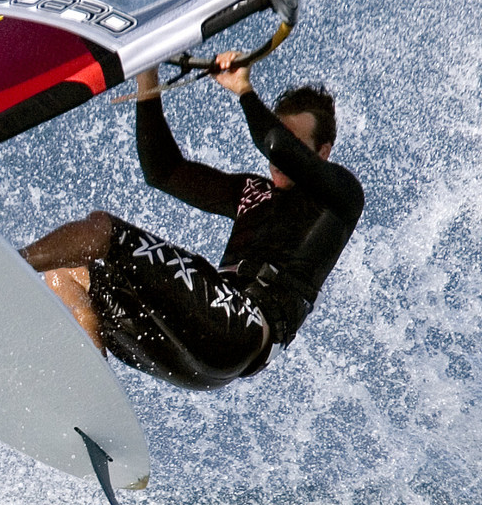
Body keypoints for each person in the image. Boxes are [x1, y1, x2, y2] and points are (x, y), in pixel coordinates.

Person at [20, 52, 364, 390]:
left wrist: (244, 90)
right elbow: (163, 171)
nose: (278, 158)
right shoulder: (253, 193)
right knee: (68, 269)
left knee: (103, 229)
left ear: (322, 152)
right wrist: (147, 78)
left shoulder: (340, 197)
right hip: (197, 353)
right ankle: (92, 391)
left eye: (296, 142)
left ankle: (11, 262)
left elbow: (276, 145)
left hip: (240, 329)